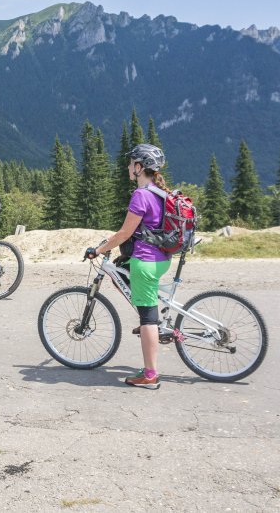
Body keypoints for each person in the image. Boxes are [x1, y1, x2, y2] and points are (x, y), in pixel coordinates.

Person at [85, 143, 171, 390]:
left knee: (147, 317)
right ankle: (151, 325)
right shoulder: (158, 192)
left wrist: (98, 250)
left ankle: (150, 375)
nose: (127, 166)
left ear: (139, 167)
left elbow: (125, 233)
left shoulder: (141, 195)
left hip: (145, 261)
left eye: (130, 162)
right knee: (121, 270)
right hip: (161, 259)